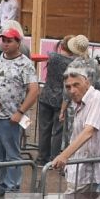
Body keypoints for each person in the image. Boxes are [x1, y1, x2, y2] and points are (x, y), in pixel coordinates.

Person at [48, 65, 100, 199]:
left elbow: (89, 131)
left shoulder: (96, 99)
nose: (72, 90)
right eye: (68, 87)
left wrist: (63, 155)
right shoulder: (80, 102)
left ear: (87, 82)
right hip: (79, 166)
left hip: (87, 168)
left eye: (76, 85)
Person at [0, 26, 38, 199]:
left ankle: (13, 186)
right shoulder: (0, 58)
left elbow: (34, 90)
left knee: (12, 153)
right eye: (4, 41)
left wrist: (21, 112)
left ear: (18, 43)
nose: (5, 44)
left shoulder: (26, 64)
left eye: (9, 41)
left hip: (10, 116)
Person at [36, 37, 75, 165]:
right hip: (61, 99)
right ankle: (54, 158)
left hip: (46, 95)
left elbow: (50, 52)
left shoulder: (53, 57)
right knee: (58, 131)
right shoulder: (73, 62)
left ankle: (42, 157)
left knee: (44, 129)